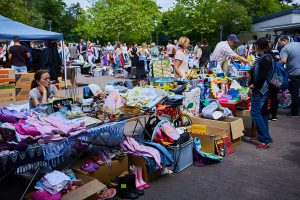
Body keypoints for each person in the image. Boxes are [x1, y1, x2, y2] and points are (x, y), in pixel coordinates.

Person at [249, 37, 273, 149]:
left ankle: (265, 139)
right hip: (265, 89)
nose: (254, 47)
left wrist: (253, 86)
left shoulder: (265, 59)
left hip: (261, 89)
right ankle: (263, 136)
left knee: (255, 113)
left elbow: (261, 77)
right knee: (262, 113)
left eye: (255, 45)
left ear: (258, 46)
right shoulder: (266, 57)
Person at [279, 36, 300, 116]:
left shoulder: (285, 48)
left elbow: (283, 61)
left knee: (294, 92)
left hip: (294, 73)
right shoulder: (298, 44)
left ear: (284, 41)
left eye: (280, 43)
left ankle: (294, 112)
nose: (279, 45)